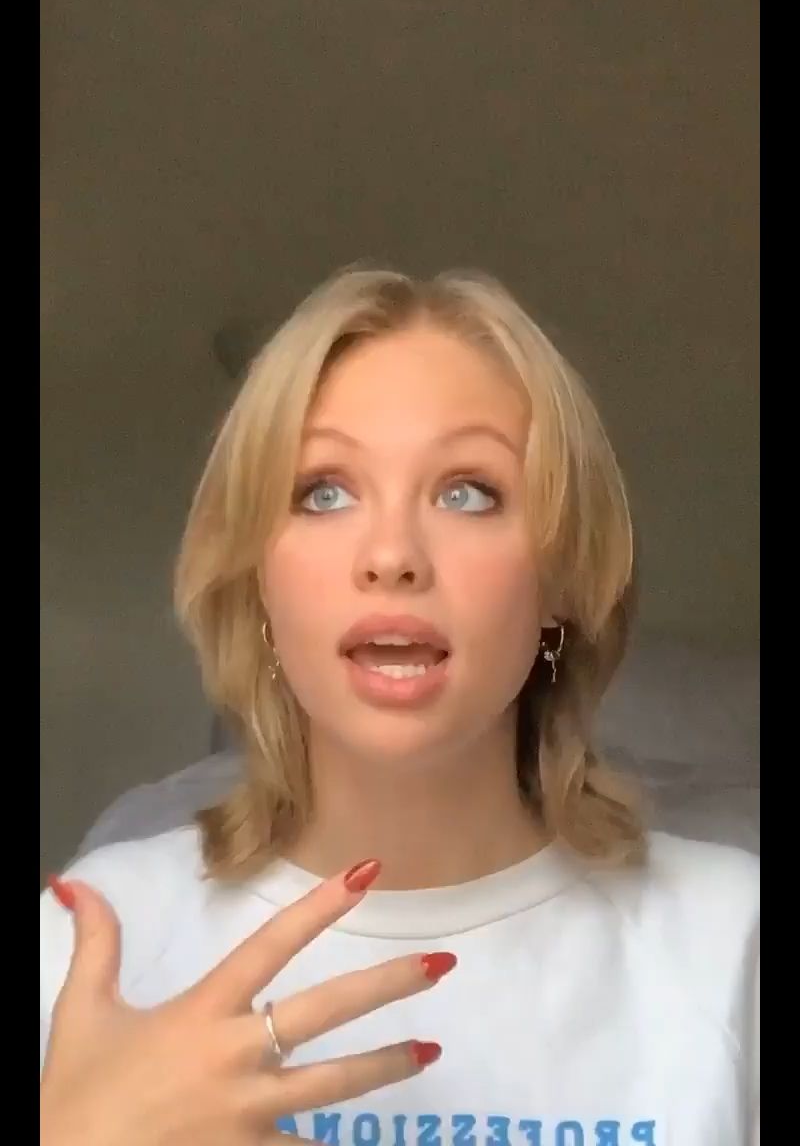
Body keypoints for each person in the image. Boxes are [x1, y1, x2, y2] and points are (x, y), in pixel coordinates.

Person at [40, 267, 759, 1145]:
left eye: (468, 493)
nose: (391, 555)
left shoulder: (732, 941)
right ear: (258, 580)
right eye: (323, 492)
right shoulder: (91, 948)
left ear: (561, 582)